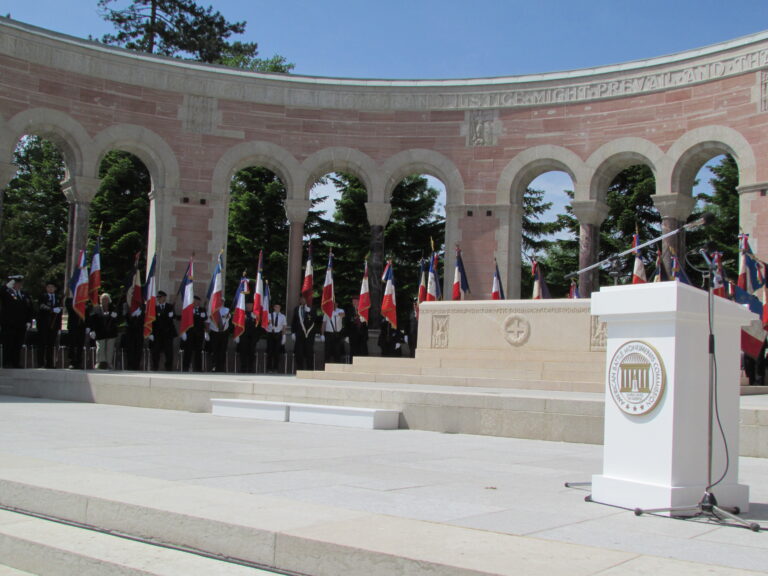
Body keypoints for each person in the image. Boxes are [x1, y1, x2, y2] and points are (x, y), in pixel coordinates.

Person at [0, 275, 33, 368]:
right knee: (8, 343)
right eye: (17, 283)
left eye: (20, 283)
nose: (19, 285)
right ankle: (7, 362)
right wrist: (6, 286)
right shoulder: (6, 292)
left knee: (18, 344)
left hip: (21, 323)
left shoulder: (24, 294)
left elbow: (30, 308)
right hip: (9, 323)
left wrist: (29, 320)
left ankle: (16, 362)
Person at [88, 293, 119, 369]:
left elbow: (119, 319)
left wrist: (116, 317)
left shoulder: (113, 308)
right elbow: (92, 320)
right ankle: (99, 363)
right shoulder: (96, 308)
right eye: (102, 299)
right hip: (100, 332)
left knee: (110, 348)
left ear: (109, 300)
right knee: (100, 348)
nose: (104, 301)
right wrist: (92, 330)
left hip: (111, 332)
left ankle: (109, 363)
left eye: (106, 299)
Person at [37, 280, 63, 368]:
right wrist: (51, 310)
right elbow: (41, 306)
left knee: (51, 345)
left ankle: (50, 363)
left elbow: (60, 310)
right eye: (48, 287)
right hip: (44, 324)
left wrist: (59, 326)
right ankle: (40, 363)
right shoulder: (42, 296)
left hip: (54, 325)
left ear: (55, 289)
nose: (50, 288)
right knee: (42, 344)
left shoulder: (58, 297)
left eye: (52, 287)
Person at [150, 290, 177, 371]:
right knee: (156, 351)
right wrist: (151, 333)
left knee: (169, 352)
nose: (158, 299)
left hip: (168, 333)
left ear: (164, 298)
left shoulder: (170, 307)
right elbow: (152, 321)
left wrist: (172, 315)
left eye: (160, 297)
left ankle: (168, 367)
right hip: (157, 333)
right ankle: (155, 367)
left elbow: (173, 317)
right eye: (157, 297)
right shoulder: (155, 308)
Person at [291, 295, 318, 371]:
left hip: (309, 334)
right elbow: (294, 321)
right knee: (299, 352)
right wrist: (293, 332)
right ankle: (300, 368)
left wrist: (308, 312)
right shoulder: (297, 309)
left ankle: (310, 368)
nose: (302, 300)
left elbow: (315, 319)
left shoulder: (312, 309)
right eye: (301, 299)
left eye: (304, 299)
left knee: (309, 351)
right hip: (299, 334)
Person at [181, 296, 206, 372]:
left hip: (199, 334)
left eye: (199, 301)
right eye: (196, 301)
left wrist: (203, 316)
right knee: (188, 351)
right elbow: (184, 319)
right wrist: (183, 332)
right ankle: (186, 367)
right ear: (193, 301)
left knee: (198, 351)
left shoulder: (202, 309)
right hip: (190, 333)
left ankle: (198, 368)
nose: (198, 303)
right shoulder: (188, 309)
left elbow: (205, 318)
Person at [236, 302, 259, 373]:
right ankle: (243, 368)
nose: (249, 306)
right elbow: (237, 324)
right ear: (245, 306)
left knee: (252, 353)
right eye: (247, 305)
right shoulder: (241, 313)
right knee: (243, 352)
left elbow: (259, 327)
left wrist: (256, 319)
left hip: (253, 337)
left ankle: (251, 368)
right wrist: (237, 335)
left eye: (250, 305)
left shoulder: (255, 314)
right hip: (243, 336)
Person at [65, 295, 86, 369]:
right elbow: (70, 309)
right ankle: (72, 362)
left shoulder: (85, 300)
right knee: (72, 344)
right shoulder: (69, 300)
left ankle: (79, 362)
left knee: (80, 344)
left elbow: (88, 312)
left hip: (82, 325)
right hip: (73, 325)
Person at [123, 297, 144, 370]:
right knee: (130, 349)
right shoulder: (126, 305)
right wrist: (133, 316)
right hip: (130, 331)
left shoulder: (142, 306)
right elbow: (125, 317)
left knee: (138, 349)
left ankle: (137, 365)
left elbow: (145, 318)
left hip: (139, 331)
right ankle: (130, 365)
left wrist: (139, 315)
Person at [207, 306, 230, 372]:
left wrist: (225, 316)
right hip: (214, 331)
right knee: (214, 350)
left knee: (222, 350)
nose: (221, 303)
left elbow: (228, 317)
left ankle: (221, 367)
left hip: (224, 332)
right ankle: (214, 366)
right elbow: (210, 318)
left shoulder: (226, 309)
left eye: (222, 301)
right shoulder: (212, 309)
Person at [265, 303, 287, 373]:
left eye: (279, 307)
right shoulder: (269, 315)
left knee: (277, 352)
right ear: (274, 307)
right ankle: (269, 368)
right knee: (270, 351)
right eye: (276, 307)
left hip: (278, 334)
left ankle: (275, 368)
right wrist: (268, 323)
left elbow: (284, 327)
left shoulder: (283, 316)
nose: (278, 308)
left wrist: (283, 336)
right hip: (271, 333)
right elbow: (265, 325)